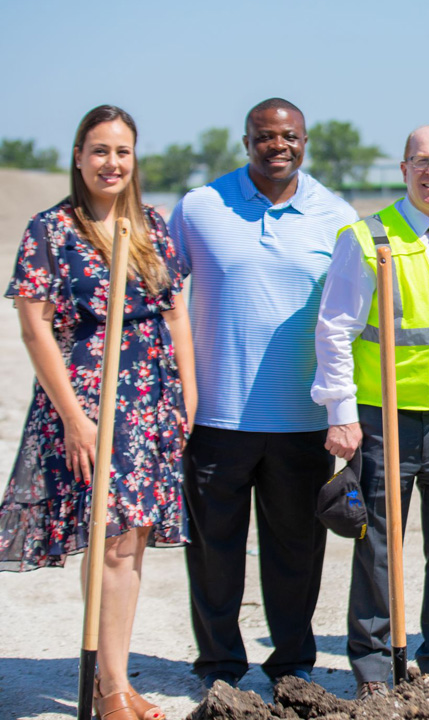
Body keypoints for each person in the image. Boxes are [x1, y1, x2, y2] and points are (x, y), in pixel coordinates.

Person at [0, 105, 195, 720]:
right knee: (107, 540)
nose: (112, 163)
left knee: (131, 543)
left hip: (151, 400)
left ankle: (115, 678)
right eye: (100, 150)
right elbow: (34, 330)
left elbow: (175, 314)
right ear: (79, 157)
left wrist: (187, 396)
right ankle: (110, 686)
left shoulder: (152, 226)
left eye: (123, 152)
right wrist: (75, 419)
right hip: (87, 401)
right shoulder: (50, 229)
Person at [169, 98, 358, 690]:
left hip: (301, 420)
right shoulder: (199, 209)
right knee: (213, 552)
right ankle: (220, 664)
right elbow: (166, 299)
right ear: (246, 140)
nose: (279, 145)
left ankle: (292, 664)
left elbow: (350, 318)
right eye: (266, 136)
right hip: (215, 418)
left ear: (305, 141)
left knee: (296, 554)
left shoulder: (336, 215)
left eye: (290, 136)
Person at [312, 125, 429, 699]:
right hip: (382, 419)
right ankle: (372, 670)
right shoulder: (367, 239)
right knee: (376, 548)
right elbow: (334, 331)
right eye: (422, 160)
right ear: (404, 168)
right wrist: (341, 412)